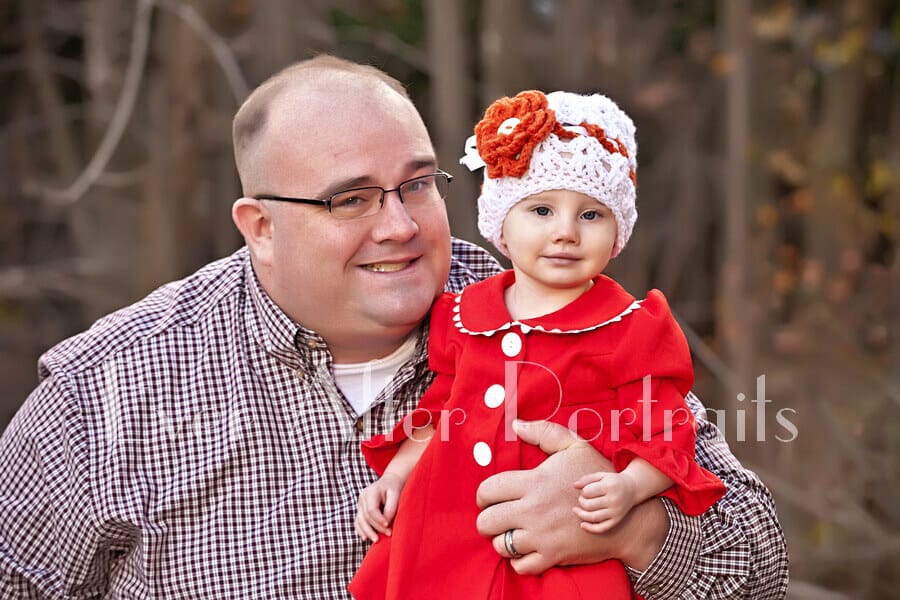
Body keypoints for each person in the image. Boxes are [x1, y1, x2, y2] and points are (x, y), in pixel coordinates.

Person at [0, 55, 788, 599]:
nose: (400, 226)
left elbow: (761, 569)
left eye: (416, 184)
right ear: (260, 226)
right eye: (351, 199)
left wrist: (632, 531)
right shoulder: (104, 391)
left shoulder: (564, 315)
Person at [350, 90, 727, 599]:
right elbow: (442, 408)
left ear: (619, 230)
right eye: (543, 210)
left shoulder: (630, 326)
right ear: (502, 224)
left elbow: (667, 428)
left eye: (591, 215)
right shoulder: (464, 313)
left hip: (558, 557)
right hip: (444, 527)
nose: (566, 233)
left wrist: (629, 489)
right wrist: (395, 476)